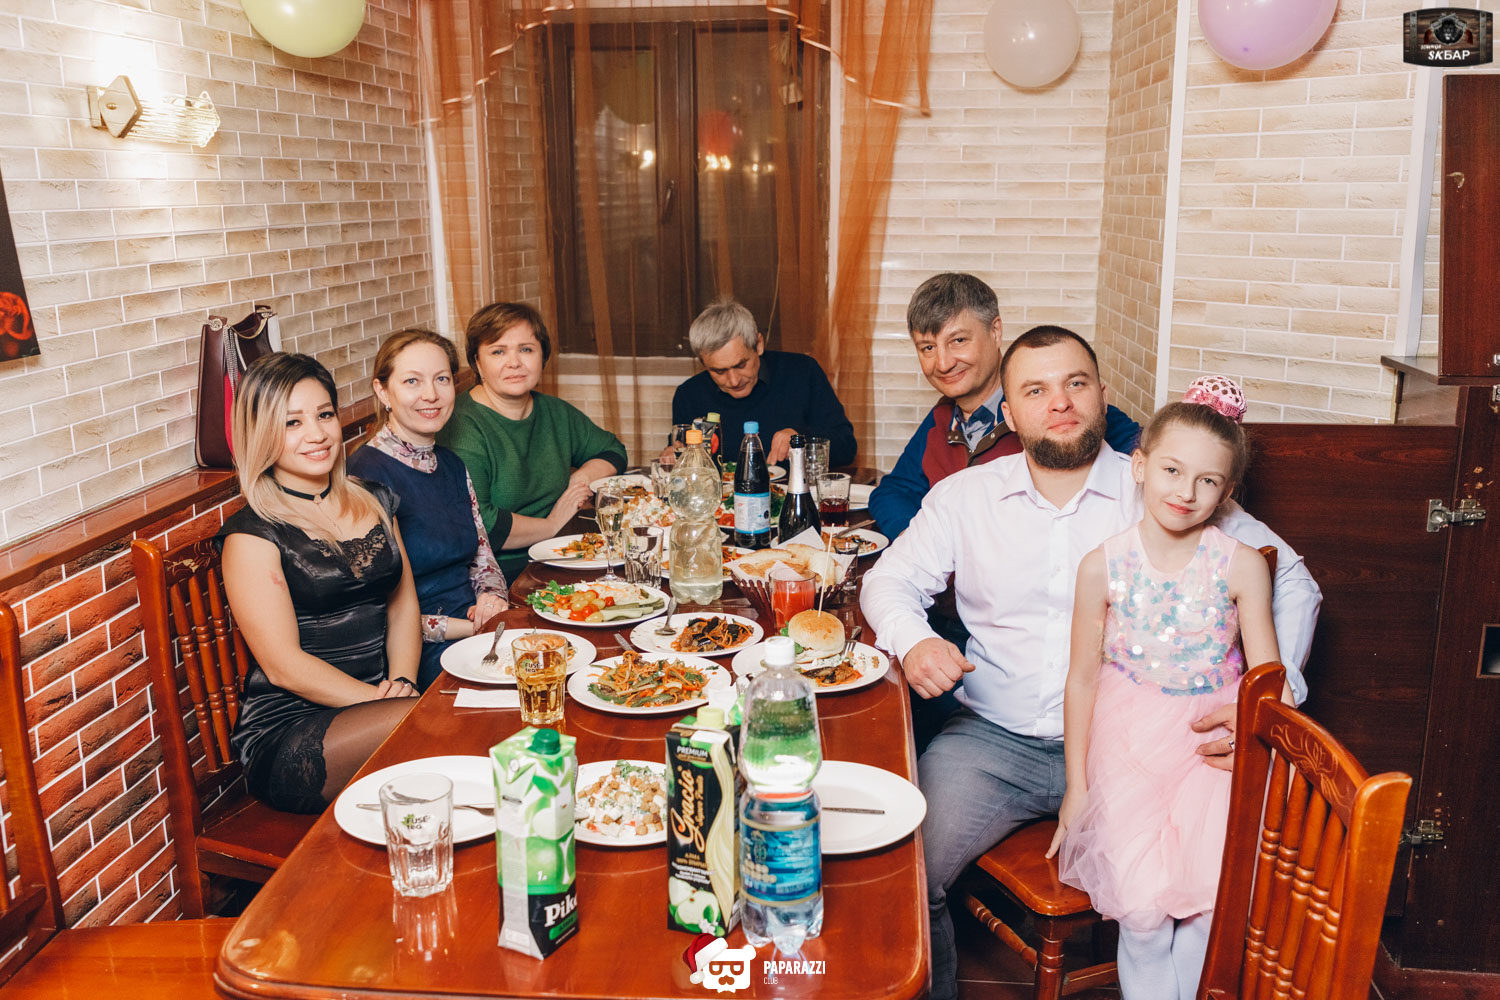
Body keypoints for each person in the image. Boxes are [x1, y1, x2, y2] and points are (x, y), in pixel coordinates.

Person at [859, 327, 1322, 1000]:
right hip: (994, 740)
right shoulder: (966, 497)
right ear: (1007, 411)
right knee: (904, 866)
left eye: (1075, 383)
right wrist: (914, 640)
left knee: (1192, 899)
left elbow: (1293, 580)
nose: (1060, 402)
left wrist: (1270, 699)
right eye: (1035, 390)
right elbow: (888, 581)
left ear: (1102, 395)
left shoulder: (1163, 482)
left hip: (1143, 747)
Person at [1048, 376, 1284, 1000]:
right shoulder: (1102, 565)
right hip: (1128, 748)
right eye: (1173, 471)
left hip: (1210, 753)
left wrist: (1252, 732)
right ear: (1140, 466)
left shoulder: (1241, 565)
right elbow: (1081, 679)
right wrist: (1077, 787)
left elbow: (1270, 683)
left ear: (1227, 492)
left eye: (1208, 481)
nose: (1186, 492)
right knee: (1145, 920)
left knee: (1206, 915)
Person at [219, 353, 420, 814]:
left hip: (385, 702)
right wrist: (381, 702)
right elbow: (283, 667)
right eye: (292, 422)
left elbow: (402, 604)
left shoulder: (374, 498)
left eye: (324, 414)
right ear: (261, 433)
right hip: (293, 730)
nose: (317, 433)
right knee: (436, 724)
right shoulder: (252, 534)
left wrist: (403, 681)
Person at [869, 273, 1140, 539]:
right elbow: (893, 492)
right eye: (928, 348)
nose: (943, 363)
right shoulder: (943, 418)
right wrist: (917, 544)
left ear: (995, 332)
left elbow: (1147, 460)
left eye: (958, 341)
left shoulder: (1057, 412)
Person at [347, 329, 510, 691]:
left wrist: (492, 597)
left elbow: (483, 555)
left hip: (479, 636)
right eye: (412, 381)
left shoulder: (451, 464)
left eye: (441, 379)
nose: (431, 394)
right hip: (417, 657)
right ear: (382, 391)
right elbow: (372, 615)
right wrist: (471, 628)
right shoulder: (364, 477)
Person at [439, 302, 628, 579]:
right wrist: (551, 524)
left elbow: (613, 450)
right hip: (499, 573)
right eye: (498, 351)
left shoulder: (554, 411)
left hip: (564, 552)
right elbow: (483, 524)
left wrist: (581, 479)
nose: (514, 362)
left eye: (526, 349)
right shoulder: (462, 425)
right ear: (478, 362)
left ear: (543, 356)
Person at [663, 299, 857, 467]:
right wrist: (674, 456)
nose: (734, 380)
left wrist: (800, 438)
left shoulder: (803, 372)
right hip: (721, 498)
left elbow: (847, 447)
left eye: (741, 365)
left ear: (759, 345)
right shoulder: (689, 395)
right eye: (719, 371)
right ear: (703, 363)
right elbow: (681, 454)